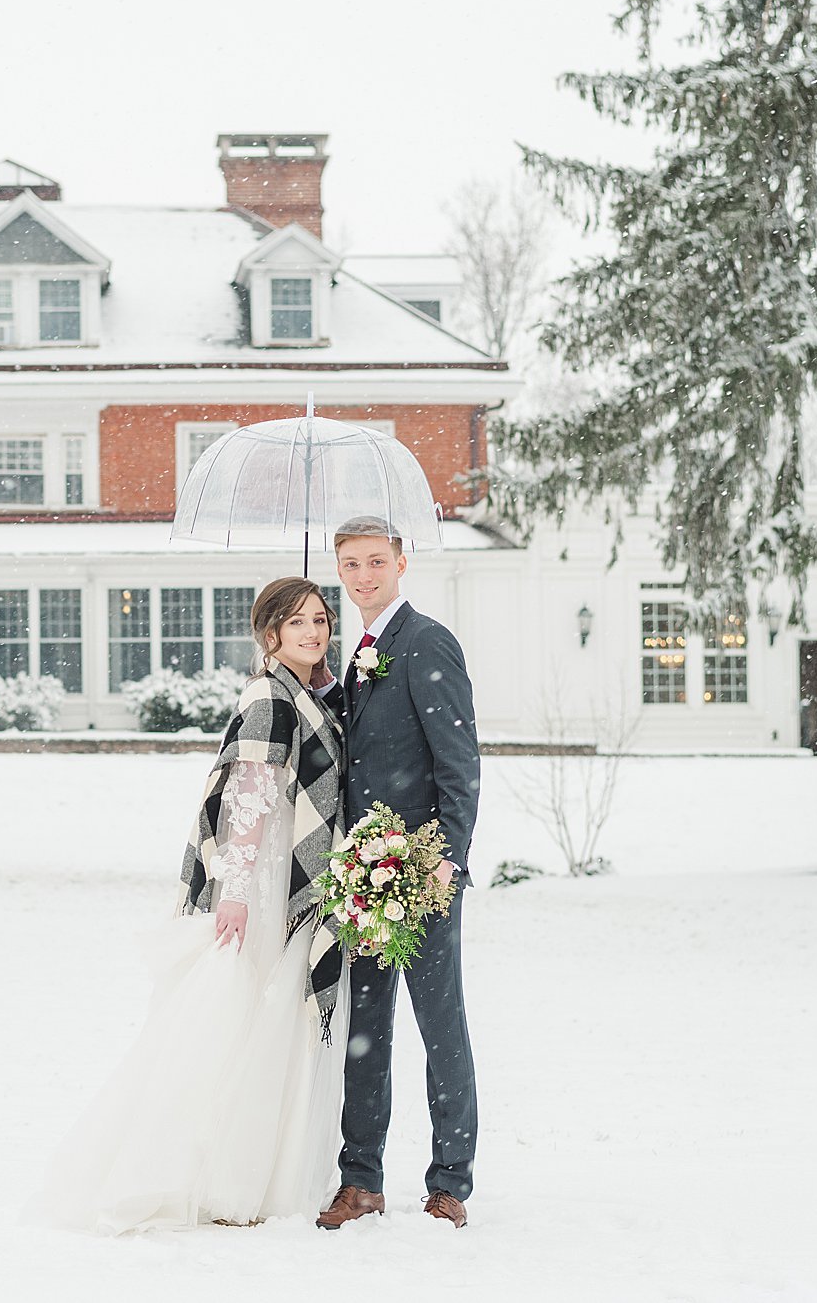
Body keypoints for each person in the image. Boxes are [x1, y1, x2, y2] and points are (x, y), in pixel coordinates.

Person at [32, 578, 350, 1232]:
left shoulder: (302, 693)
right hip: (264, 882)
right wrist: (235, 893)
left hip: (281, 872)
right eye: (298, 624)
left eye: (320, 620)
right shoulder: (270, 696)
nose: (314, 633)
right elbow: (249, 799)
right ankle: (217, 1171)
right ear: (271, 636)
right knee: (252, 1018)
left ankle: (251, 1170)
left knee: (269, 1022)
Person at [315, 517, 482, 1231]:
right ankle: (362, 1179)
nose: (362, 576)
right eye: (350, 564)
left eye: (375, 561)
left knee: (440, 1023)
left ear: (402, 564)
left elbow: (460, 764)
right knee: (366, 1028)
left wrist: (445, 859)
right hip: (361, 875)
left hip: (422, 873)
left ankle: (450, 1182)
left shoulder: (427, 641)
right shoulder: (351, 657)